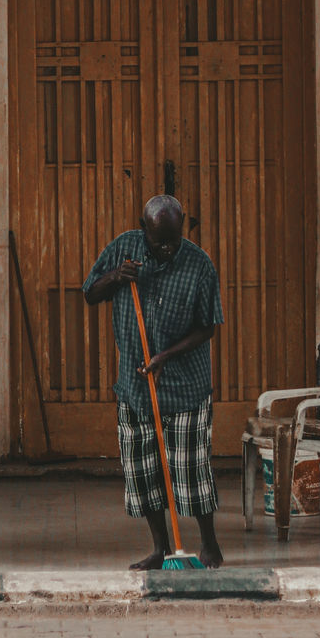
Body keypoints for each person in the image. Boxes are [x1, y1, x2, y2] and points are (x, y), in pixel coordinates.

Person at [83, 194, 224, 569]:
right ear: (144, 229)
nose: (165, 249)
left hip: (185, 387)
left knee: (191, 470)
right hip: (136, 386)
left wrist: (166, 355)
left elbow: (207, 327)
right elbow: (89, 292)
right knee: (145, 473)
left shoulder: (199, 265)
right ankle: (160, 549)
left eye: (172, 240)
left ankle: (210, 545)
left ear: (183, 228)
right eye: (159, 241)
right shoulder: (125, 248)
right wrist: (116, 277)